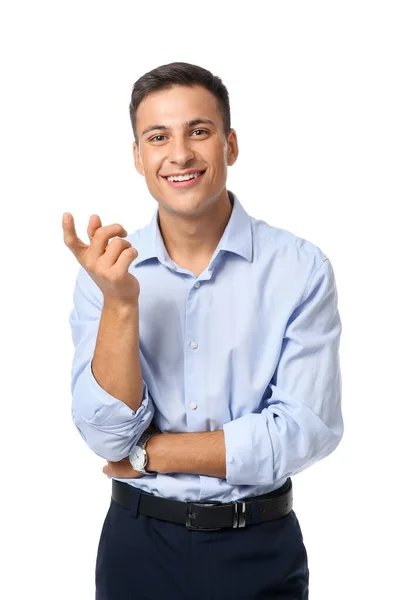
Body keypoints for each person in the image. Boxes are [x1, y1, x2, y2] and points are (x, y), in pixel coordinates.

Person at [63, 61, 343, 600]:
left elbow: (306, 429)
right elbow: (104, 436)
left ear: (230, 145)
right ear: (138, 157)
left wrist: (152, 455)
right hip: (137, 548)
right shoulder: (106, 274)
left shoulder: (300, 269)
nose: (180, 154)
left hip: (260, 545)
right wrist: (121, 304)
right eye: (157, 136)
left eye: (199, 131)